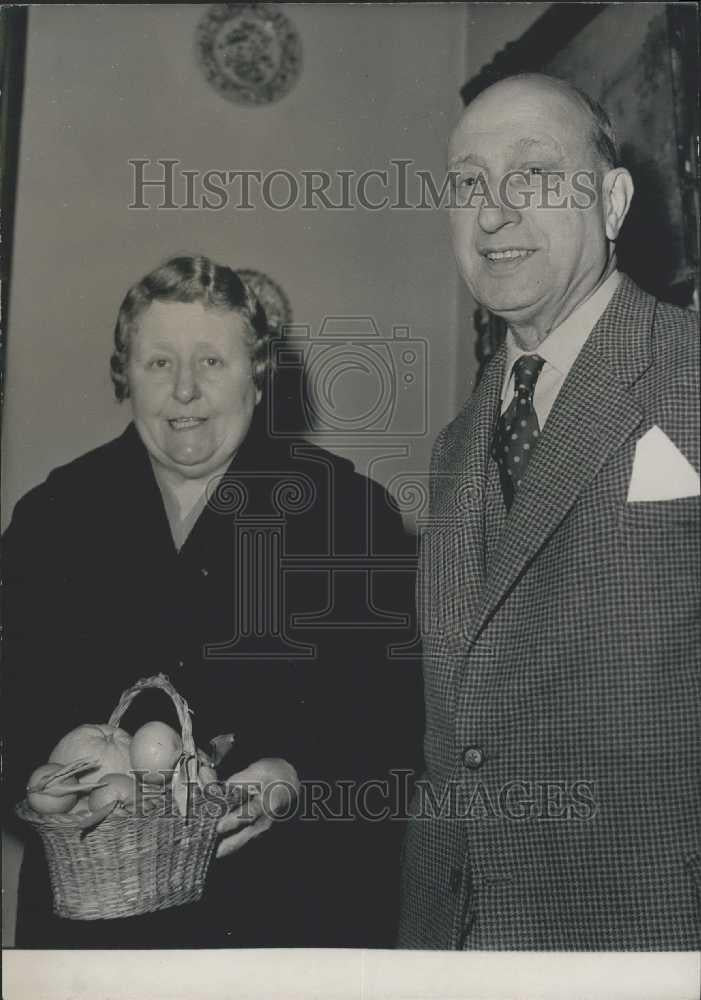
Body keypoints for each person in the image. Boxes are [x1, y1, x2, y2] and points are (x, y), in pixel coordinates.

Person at [3, 254, 422, 948]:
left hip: (286, 911)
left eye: (212, 363)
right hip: (96, 930)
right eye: (159, 364)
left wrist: (296, 777)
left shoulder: (348, 515)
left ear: (257, 376)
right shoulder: (52, 517)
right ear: (124, 375)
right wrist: (37, 779)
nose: (185, 392)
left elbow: (394, 718)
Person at [398, 74, 700, 950]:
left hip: (649, 931)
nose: (492, 214)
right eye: (467, 183)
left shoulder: (687, 373)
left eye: (532, 175)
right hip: (460, 935)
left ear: (610, 201)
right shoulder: (457, 444)